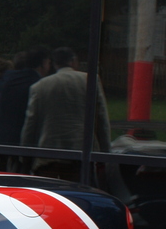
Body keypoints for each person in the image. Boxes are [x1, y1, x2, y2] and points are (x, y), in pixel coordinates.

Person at [21, 46, 110, 179]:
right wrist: (105, 152)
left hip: (49, 154)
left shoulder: (39, 86)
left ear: (54, 63)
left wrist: (25, 157)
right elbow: (101, 119)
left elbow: (30, 125)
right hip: (81, 153)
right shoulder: (90, 80)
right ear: (74, 61)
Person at [0, 45, 51, 171]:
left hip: (0, 139)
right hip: (21, 143)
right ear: (43, 63)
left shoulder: (8, 80)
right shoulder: (38, 85)